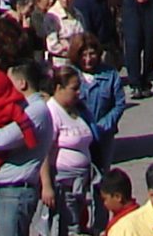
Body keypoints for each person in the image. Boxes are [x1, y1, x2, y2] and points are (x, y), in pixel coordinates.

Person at [0, 59, 55, 236]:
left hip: (14, 192)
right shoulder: (19, 108)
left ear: (22, 83)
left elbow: (2, 139)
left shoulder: (36, 110)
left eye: (9, 82)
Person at [41, 62, 102, 232]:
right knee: (69, 226)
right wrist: (47, 185)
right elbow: (44, 152)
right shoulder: (52, 112)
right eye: (74, 88)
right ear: (59, 87)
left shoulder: (76, 110)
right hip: (63, 183)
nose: (79, 93)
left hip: (81, 182)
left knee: (78, 224)